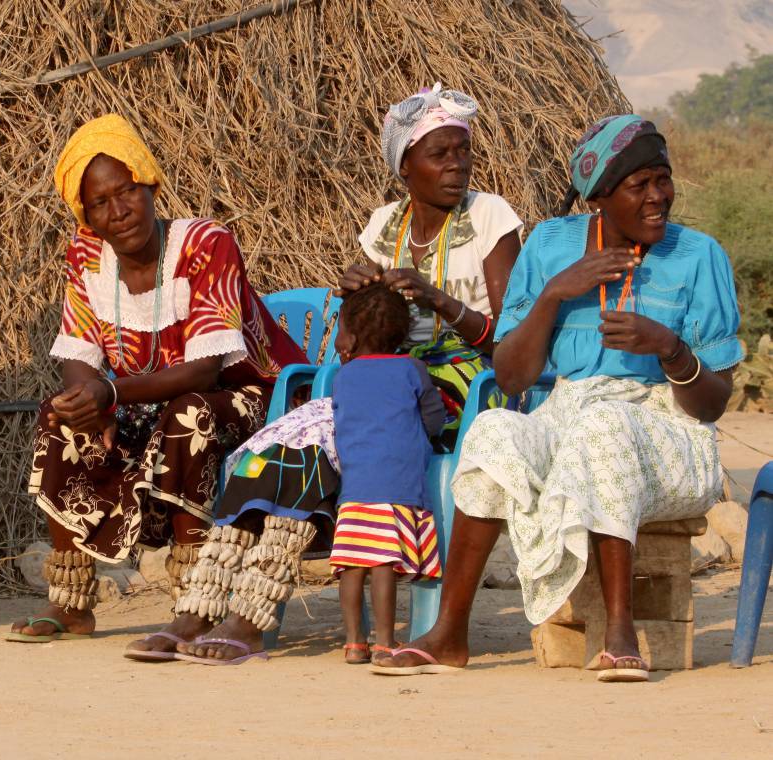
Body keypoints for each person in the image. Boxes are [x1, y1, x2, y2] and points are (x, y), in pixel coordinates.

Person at [130, 83, 524, 664]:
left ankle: (247, 620)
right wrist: (355, 298)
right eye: (439, 153)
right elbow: (354, 335)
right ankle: (199, 612)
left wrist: (437, 300)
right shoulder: (383, 225)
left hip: (459, 388)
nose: (457, 164)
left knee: (326, 445)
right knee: (275, 448)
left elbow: (509, 343)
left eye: (462, 151)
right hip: (377, 383)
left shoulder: (489, 216)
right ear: (404, 167)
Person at [376, 115, 743, 682]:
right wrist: (553, 295)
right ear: (599, 198)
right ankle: (450, 633)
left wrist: (670, 349)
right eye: (639, 185)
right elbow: (514, 377)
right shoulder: (551, 244)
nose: (658, 198)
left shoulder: (698, 255)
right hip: (568, 410)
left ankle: (619, 632)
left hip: (669, 433)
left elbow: (713, 404)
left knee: (608, 426)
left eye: (662, 180)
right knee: (495, 430)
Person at [7, 114, 306, 644]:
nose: (118, 212)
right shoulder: (86, 256)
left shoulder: (205, 244)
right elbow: (80, 349)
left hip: (253, 398)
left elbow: (207, 369)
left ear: (149, 184)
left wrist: (113, 392)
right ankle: (72, 603)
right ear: (87, 216)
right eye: (99, 203)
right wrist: (88, 400)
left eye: (127, 192)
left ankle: (196, 600)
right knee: (59, 415)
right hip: (147, 400)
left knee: (189, 410)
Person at [327, 284, 444, 666]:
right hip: (397, 483)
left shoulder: (343, 376)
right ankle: (386, 642)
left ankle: (354, 642)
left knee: (351, 564)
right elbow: (433, 418)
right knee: (382, 565)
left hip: (356, 485)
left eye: (341, 329)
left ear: (354, 337)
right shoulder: (412, 369)